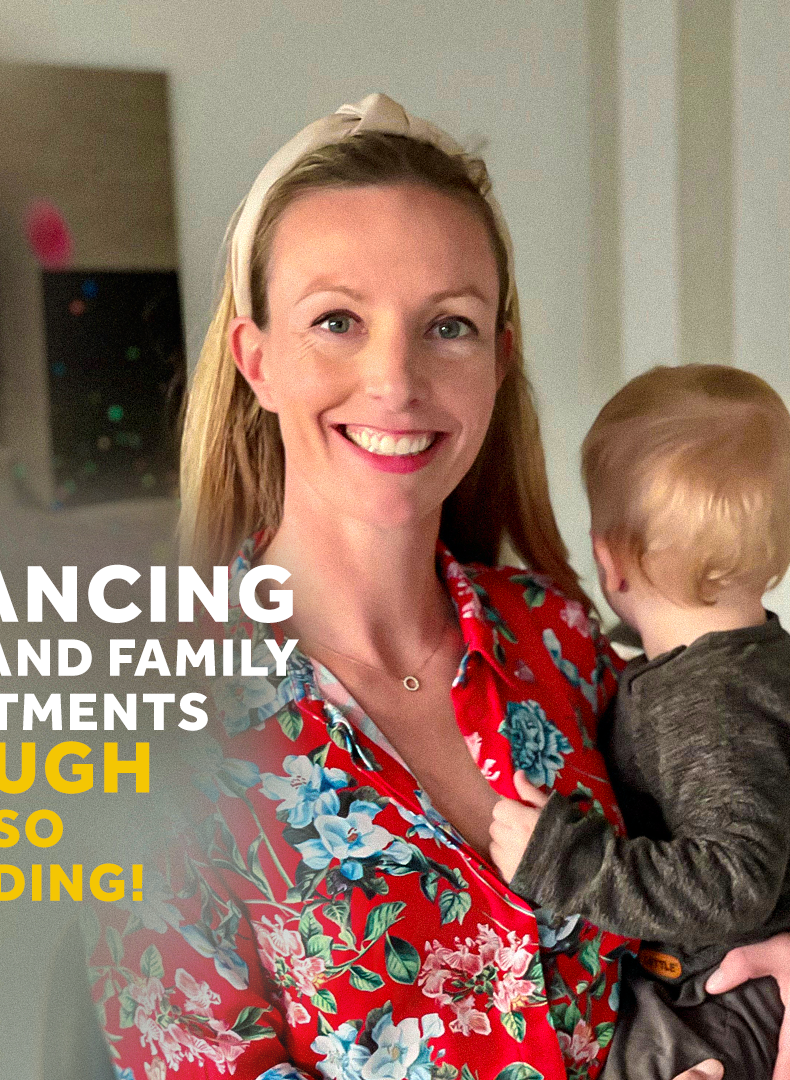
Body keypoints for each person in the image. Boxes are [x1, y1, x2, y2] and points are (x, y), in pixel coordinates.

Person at [84, 93, 790, 1080]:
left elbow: (741, 833)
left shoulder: (560, 639)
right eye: (337, 320)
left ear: (497, 361)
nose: (395, 381)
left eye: (447, 326)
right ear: (257, 360)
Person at [488, 364, 790, 1078]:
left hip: (725, 1004)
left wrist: (567, 861)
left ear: (610, 563)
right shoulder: (746, 666)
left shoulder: (709, 703)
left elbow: (732, 879)